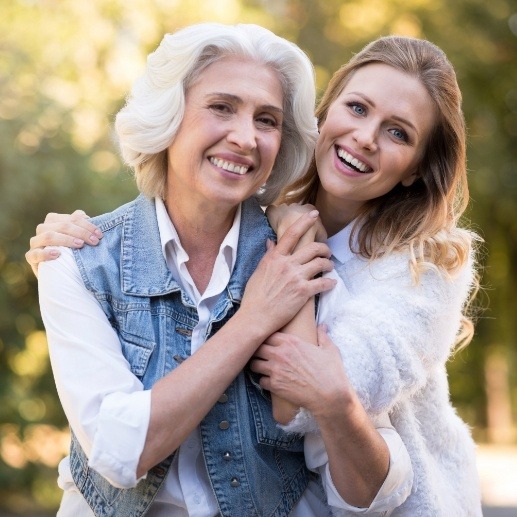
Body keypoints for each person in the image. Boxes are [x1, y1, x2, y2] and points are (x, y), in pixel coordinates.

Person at [31, 24, 414, 516]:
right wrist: (253, 321)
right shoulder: (76, 261)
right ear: (169, 115)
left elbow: (366, 487)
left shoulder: (300, 259)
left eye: (267, 120)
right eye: (221, 107)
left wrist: (339, 407)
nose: (245, 138)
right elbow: (119, 452)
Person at [250, 36, 483, 515]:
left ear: (416, 171)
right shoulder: (258, 212)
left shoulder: (431, 265)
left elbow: (305, 401)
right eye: (357, 108)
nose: (365, 137)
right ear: (325, 111)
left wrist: (303, 240)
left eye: (398, 133)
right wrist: (73, 237)